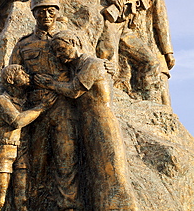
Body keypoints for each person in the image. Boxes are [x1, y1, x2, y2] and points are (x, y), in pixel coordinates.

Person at [35, 30, 139, 211]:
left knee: (111, 172)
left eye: (61, 49)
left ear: (73, 43)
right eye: (56, 52)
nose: (59, 55)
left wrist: (48, 83)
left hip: (102, 124)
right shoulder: (78, 67)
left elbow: (74, 91)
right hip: (88, 124)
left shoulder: (92, 64)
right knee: (96, 174)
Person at [10, 0, 81, 210]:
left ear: (57, 13)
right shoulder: (22, 45)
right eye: (41, 12)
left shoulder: (68, 39)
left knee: (66, 159)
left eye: (51, 11)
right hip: (36, 110)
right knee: (37, 163)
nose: (46, 16)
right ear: (33, 14)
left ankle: (68, 205)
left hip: (63, 107)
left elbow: (82, 66)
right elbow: (12, 78)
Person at [0, 64, 56, 211]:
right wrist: (41, 107)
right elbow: (17, 121)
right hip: (3, 151)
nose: (27, 74)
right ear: (11, 79)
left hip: (22, 152)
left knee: (22, 199)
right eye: (21, 72)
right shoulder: (1, 101)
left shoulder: (25, 100)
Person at [145, 0, 175, 105]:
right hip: (154, 44)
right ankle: (166, 111)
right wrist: (168, 52)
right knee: (162, 75)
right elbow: (161, 24)